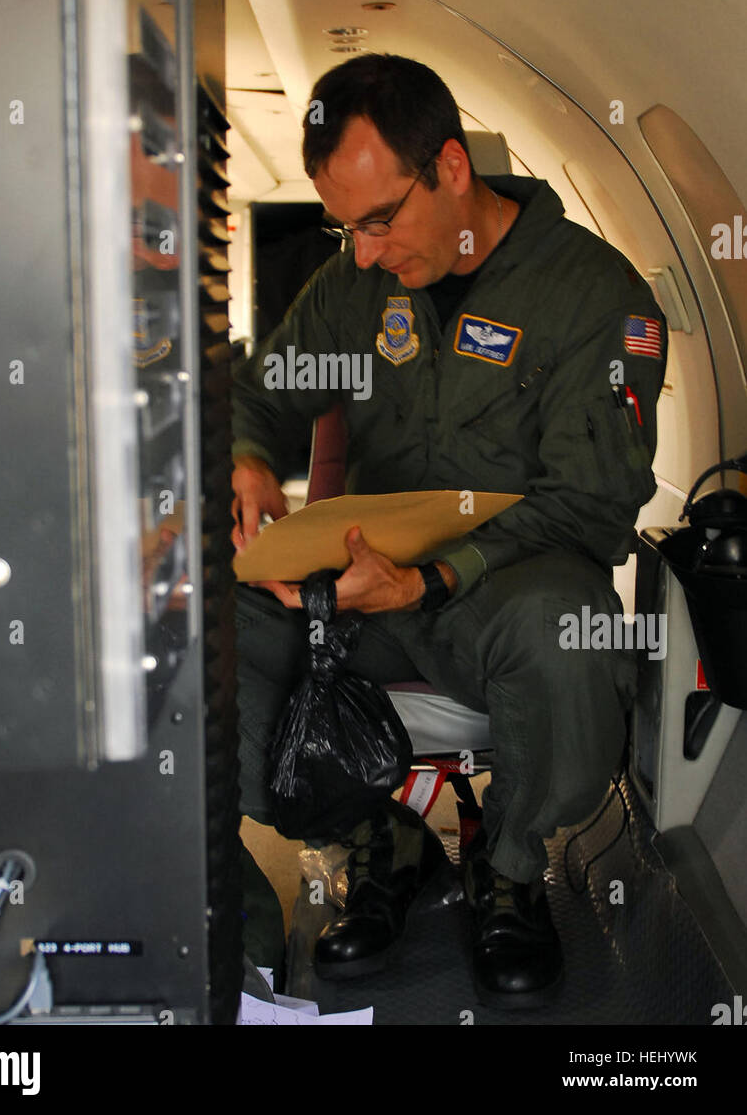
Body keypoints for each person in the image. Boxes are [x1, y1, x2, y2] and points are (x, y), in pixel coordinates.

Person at [230, 53, 667, 1009]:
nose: (368, 251)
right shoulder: (357, 288)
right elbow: (267, 393)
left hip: (500, 592)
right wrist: (253, 461)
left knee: (568, 628)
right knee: (203, 635)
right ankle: (372, 840)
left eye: (382, 219)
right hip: (354, 592)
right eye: (347, 227)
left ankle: (508, 867)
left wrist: (430, 581)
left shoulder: (594, 297)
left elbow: (591, 504)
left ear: (453, 168)